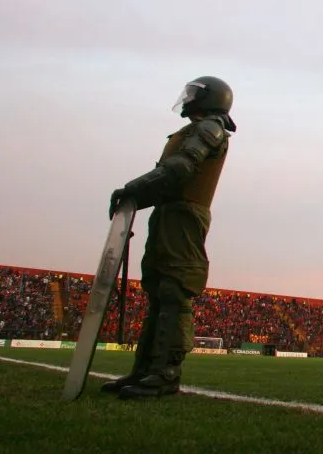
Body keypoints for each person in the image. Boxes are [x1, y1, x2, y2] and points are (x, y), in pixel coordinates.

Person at [101, 76, 236, 400]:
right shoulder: (193, 130)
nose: (187, 98)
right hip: (170, 212)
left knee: (174, 291)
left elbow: (179, 169)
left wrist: (134, 188)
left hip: (185, 216)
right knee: (159, 293)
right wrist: (136, 199)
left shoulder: (211, 128)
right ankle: (144, 371)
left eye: (193, 94)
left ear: (209, 99)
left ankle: (165, 374)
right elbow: (169, 181)